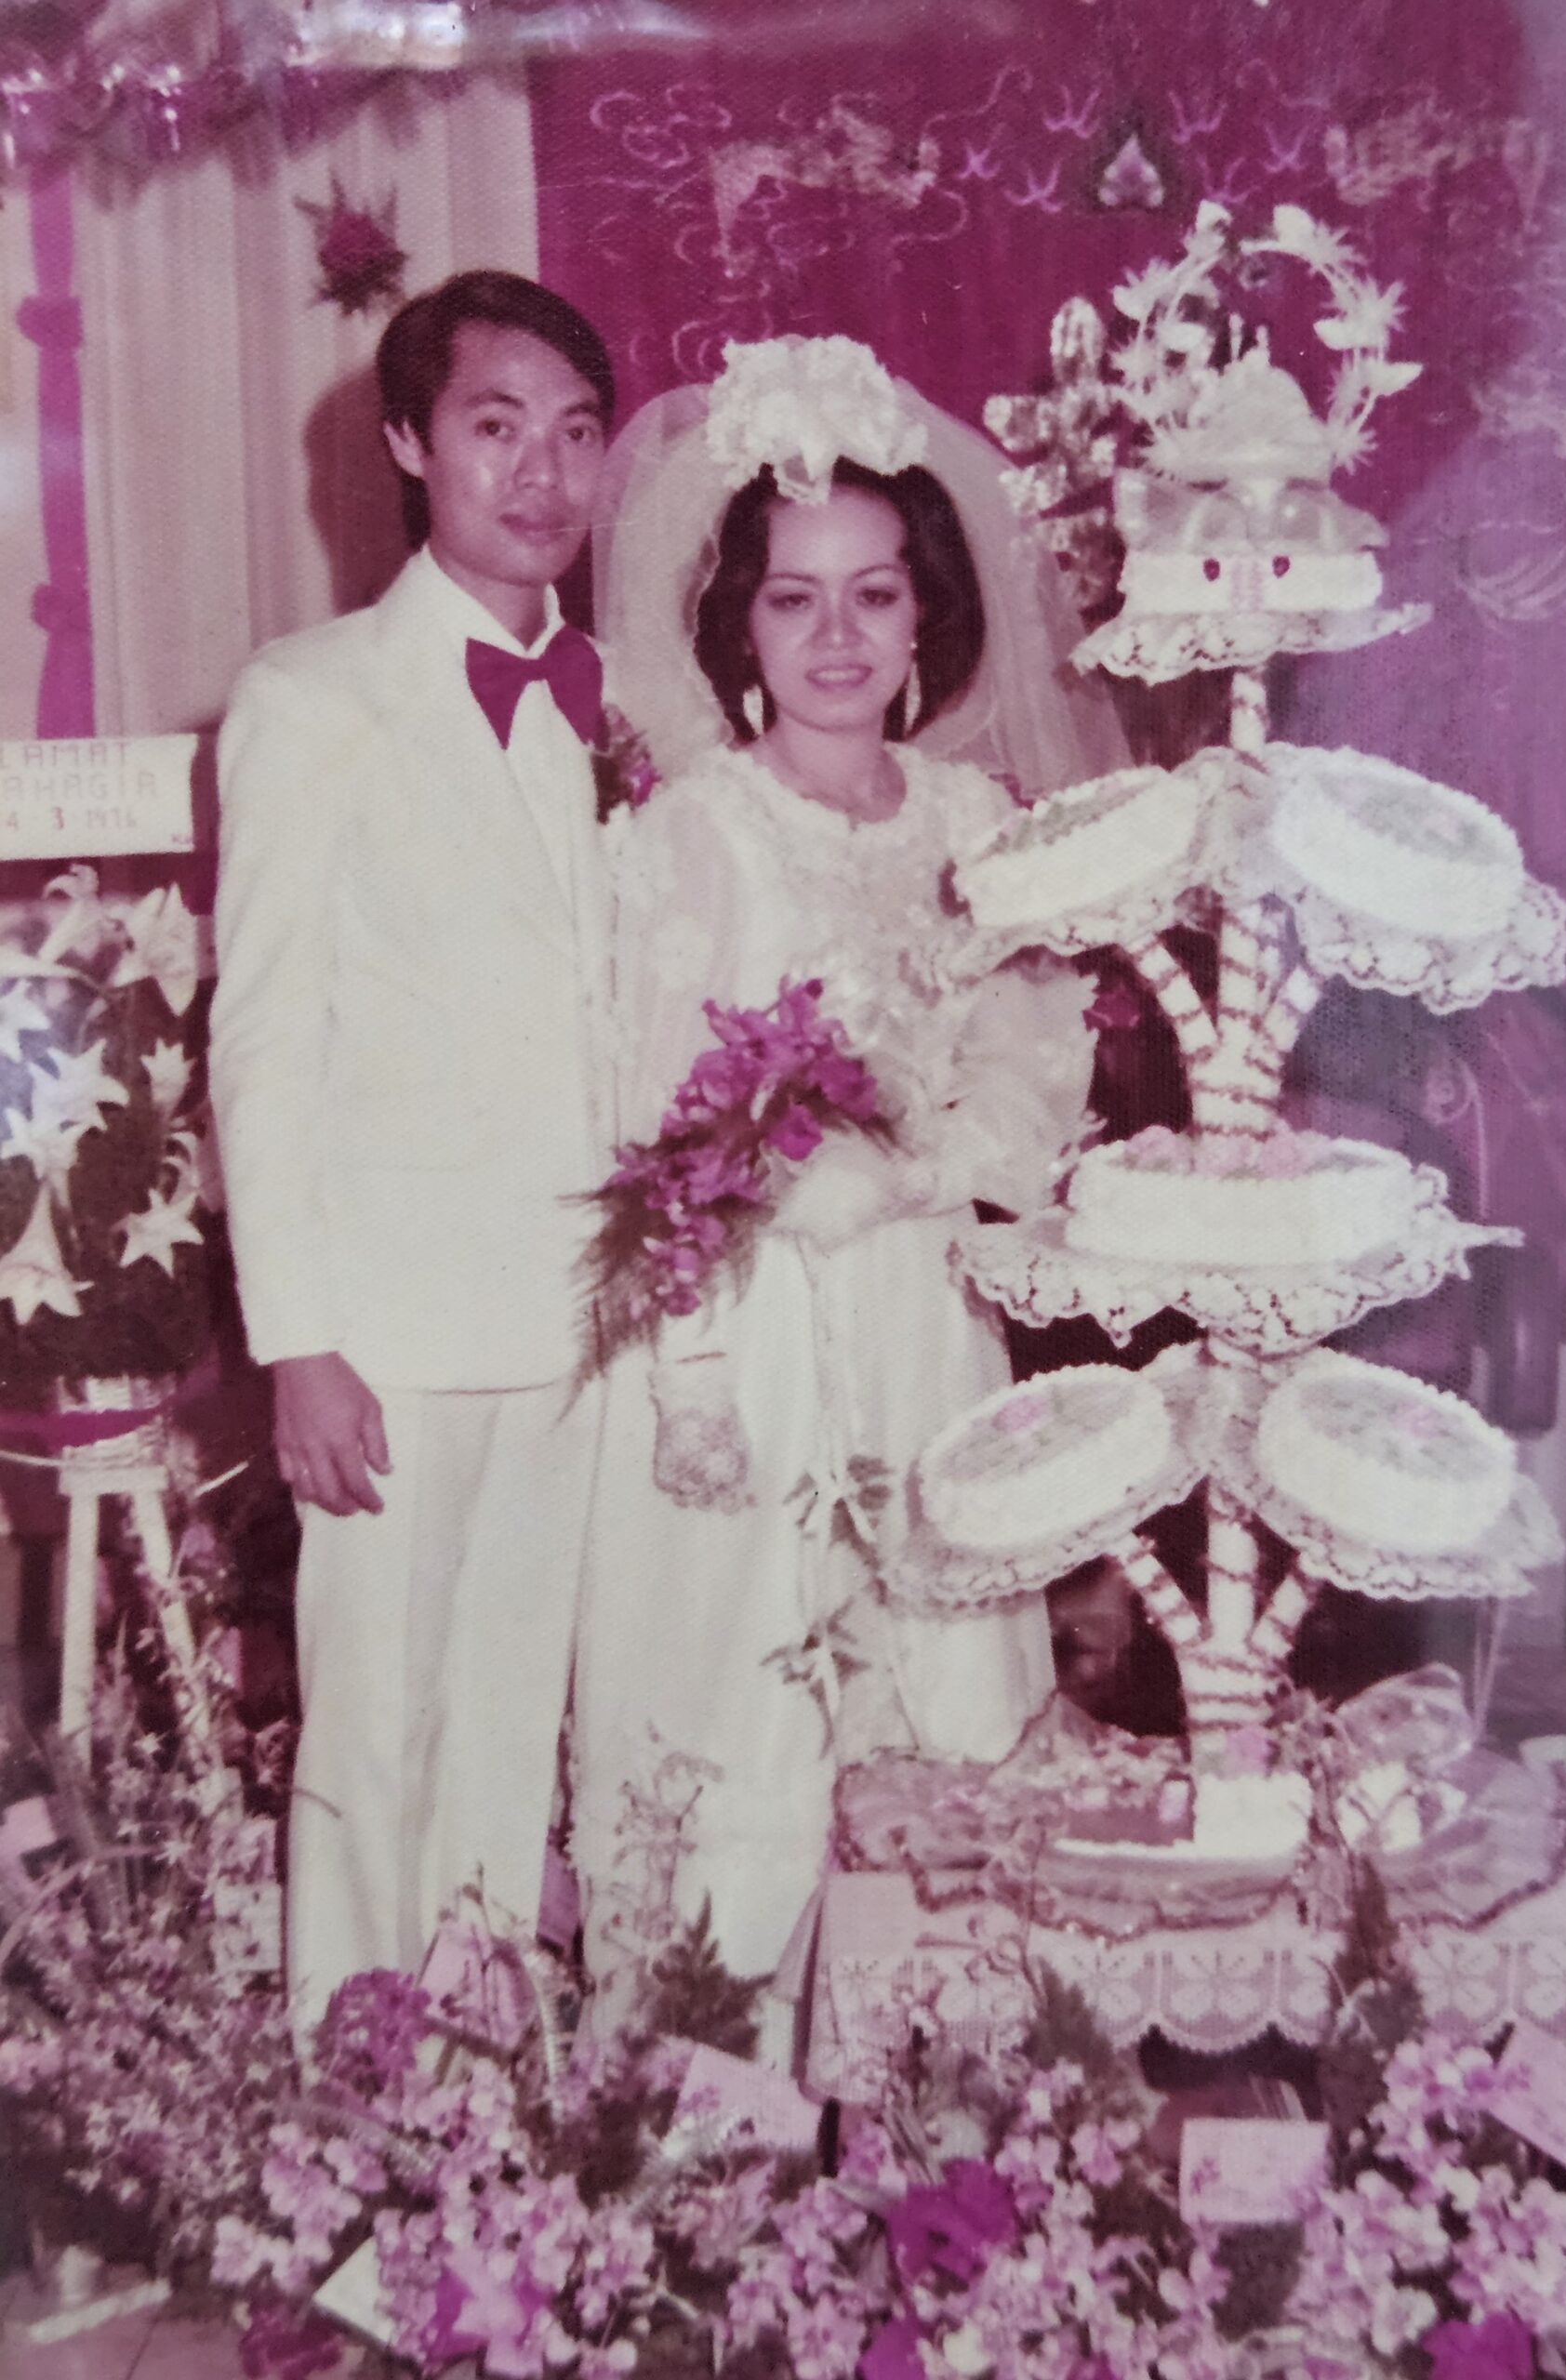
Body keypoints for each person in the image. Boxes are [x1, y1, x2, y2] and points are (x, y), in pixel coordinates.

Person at [572, 337, 1127, 2029]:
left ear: (922, 615)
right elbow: (641, 1125)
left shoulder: (974, 821)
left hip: (925, 1318)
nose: (836, 638)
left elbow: (1036, 1066)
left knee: (946, 1697)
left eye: (873, 596)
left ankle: (947, 2095)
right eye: (794, 598)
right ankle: (702, 2101)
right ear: (736, 625)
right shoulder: (692, 831)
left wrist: (922, 1164)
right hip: (744, 1350)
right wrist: (695, 1369)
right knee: (742, 1709)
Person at [210, 270, 620, 2030]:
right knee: (373, 1734)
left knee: (512, 1731)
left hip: (586, 1320)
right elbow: (263, 1039)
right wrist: (300, 1339)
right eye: (493, 427)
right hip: (391, 1327)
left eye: (576, 434)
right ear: (405, 443)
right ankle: (350, 2104)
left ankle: (480, 2095)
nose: (541, 474)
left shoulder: (621, 703)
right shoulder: (313, 699)